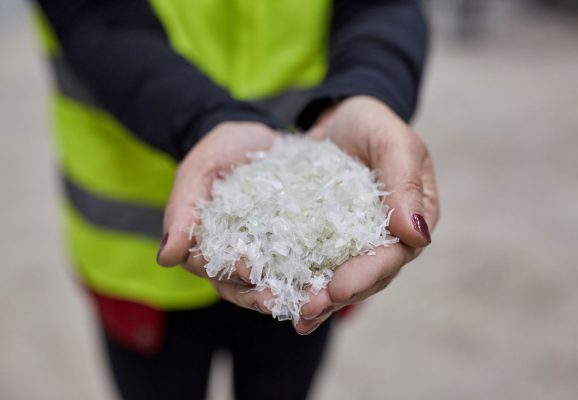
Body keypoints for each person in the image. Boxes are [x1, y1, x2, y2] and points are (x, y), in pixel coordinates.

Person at [34, 0, 439, 399]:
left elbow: (381, 6)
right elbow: (98, 19)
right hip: (134, 254)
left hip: (302, 261)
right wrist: (203, 118)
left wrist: (369, 88)